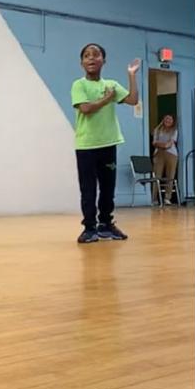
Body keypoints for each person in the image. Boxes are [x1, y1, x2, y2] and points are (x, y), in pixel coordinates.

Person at [71, 43, 141, 243]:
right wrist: (107, 99)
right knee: (88, 189)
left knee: (108, 188)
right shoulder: (79, 85)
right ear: (81, 62)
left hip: (108, 143)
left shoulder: (111, 84)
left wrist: (131, 75)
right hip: (86, 146)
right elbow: (85, 108)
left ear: (104, 60)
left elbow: (133, 100)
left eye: (96, 55)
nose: (91, 58)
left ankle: (106, 224)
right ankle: (89, 228)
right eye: (86, 55)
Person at [152, 113, 179, 205]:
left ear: (173, 121)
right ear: (163, 120)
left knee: (170, 176)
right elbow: (154, 143)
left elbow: (170, 144)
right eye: (166, 119)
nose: (168, 121)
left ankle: (167, 198)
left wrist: (161, 144)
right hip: (158, 154)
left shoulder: (174, 130)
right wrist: (163, 145)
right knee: (157, 176)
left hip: (171, 154)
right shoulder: (157, 130)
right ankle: (154, 199)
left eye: (170, 119)